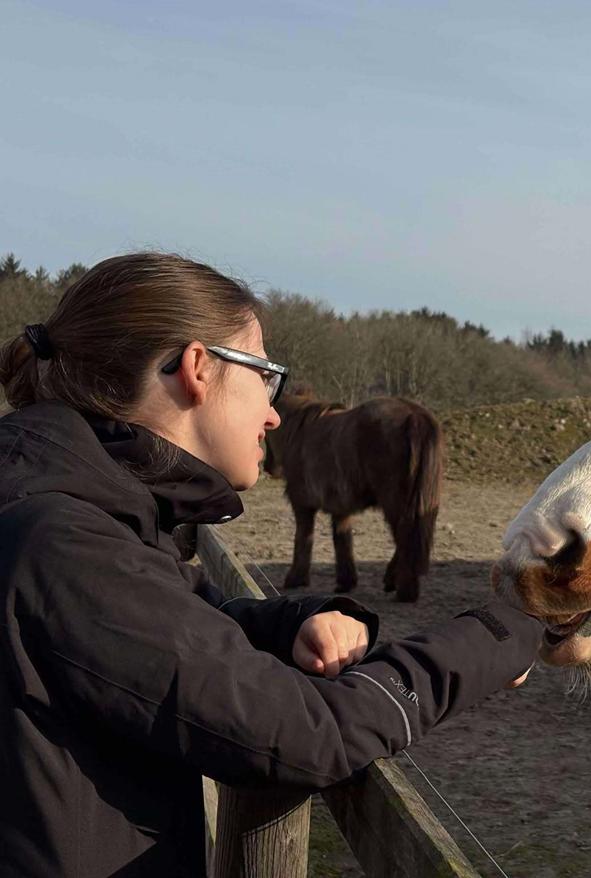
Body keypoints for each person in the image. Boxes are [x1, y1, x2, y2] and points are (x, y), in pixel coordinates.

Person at [0, 253, 542, 878]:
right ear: (197, 369)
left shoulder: (64, 506)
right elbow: (305, 733)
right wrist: (501, 635)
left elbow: (177, 619)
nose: (274, 412)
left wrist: (293, 625)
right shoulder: (65, 544)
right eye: (265, 374)